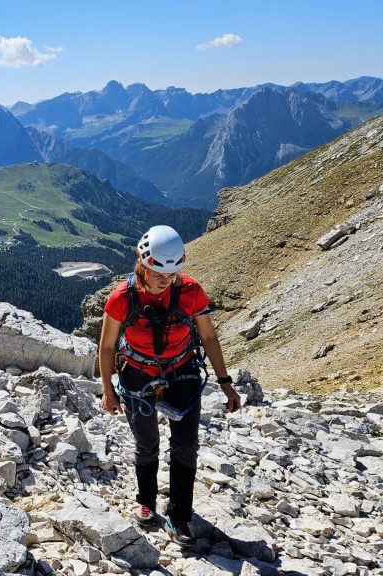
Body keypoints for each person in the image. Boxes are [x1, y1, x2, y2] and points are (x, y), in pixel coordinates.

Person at [98, 225, 242, 547]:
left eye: (173, 273)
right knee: (147, 443)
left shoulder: (190, 291)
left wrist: (225, 384)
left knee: (185, 444)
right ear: (142, 263)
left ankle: (179, 516)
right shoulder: (122, 298)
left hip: (181, 370)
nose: (167, 280)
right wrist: (108, 392)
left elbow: (208, 336)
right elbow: (107, 347)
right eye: (158, 273)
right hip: (137, 373)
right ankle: (146, 500)